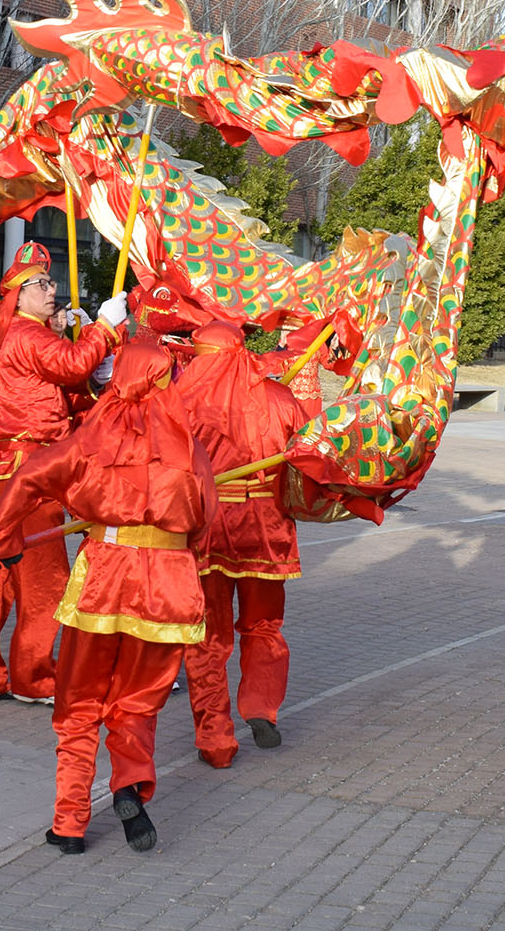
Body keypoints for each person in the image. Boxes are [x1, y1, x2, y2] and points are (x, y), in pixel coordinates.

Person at [0, 343, 214, 854]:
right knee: (138, 701)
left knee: (80, 700)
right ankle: (129, 785)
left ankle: (69, 823)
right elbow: (206, 522)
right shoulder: (190, 446)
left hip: (106, 574)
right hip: (170, 581)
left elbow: (28, 478)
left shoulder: (91, 437)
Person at [0, 242, 127, 704]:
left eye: (51, 282)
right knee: (45, 580)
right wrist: (105, 330)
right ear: (19, 291)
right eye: (43, 284)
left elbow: (67, 382)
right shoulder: (26, 334)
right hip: (32, 471)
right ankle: (34, 677)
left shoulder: (6, 335)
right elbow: (71, 366)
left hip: (0, 467)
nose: (53, 290)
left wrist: (92, 360)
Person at [171, 321, 311, 768]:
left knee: (207, 637)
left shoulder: (179, 401)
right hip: (265, 526)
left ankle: (214, 738)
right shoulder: (279, 397)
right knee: (263, 625)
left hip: (207, 527)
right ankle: (260, 706)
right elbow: (309, 455)